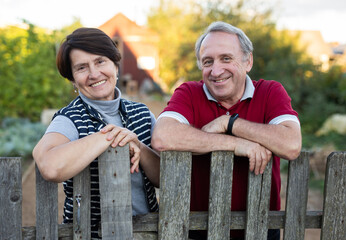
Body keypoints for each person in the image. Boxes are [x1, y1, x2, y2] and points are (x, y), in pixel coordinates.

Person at [151, 21, 302, 240]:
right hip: (197, 228)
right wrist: (237, 144)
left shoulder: (270, 92)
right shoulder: (189, 93)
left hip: (259, 227)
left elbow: (291, 145)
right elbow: (163, 137)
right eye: (208, 61)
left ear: (247, 61)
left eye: (226, 58)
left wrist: (229, 124)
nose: (216, 70)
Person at [33, 28, 160, 239]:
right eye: (82, 67)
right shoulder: (69, 119)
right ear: (73, 79)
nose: (94, 74)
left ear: (115, 65)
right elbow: (49, 165)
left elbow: (162, 178)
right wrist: (108, 136)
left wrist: (138, 146)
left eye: (100, 61)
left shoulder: (143, 114)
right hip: (90, 235)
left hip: (147, 232)